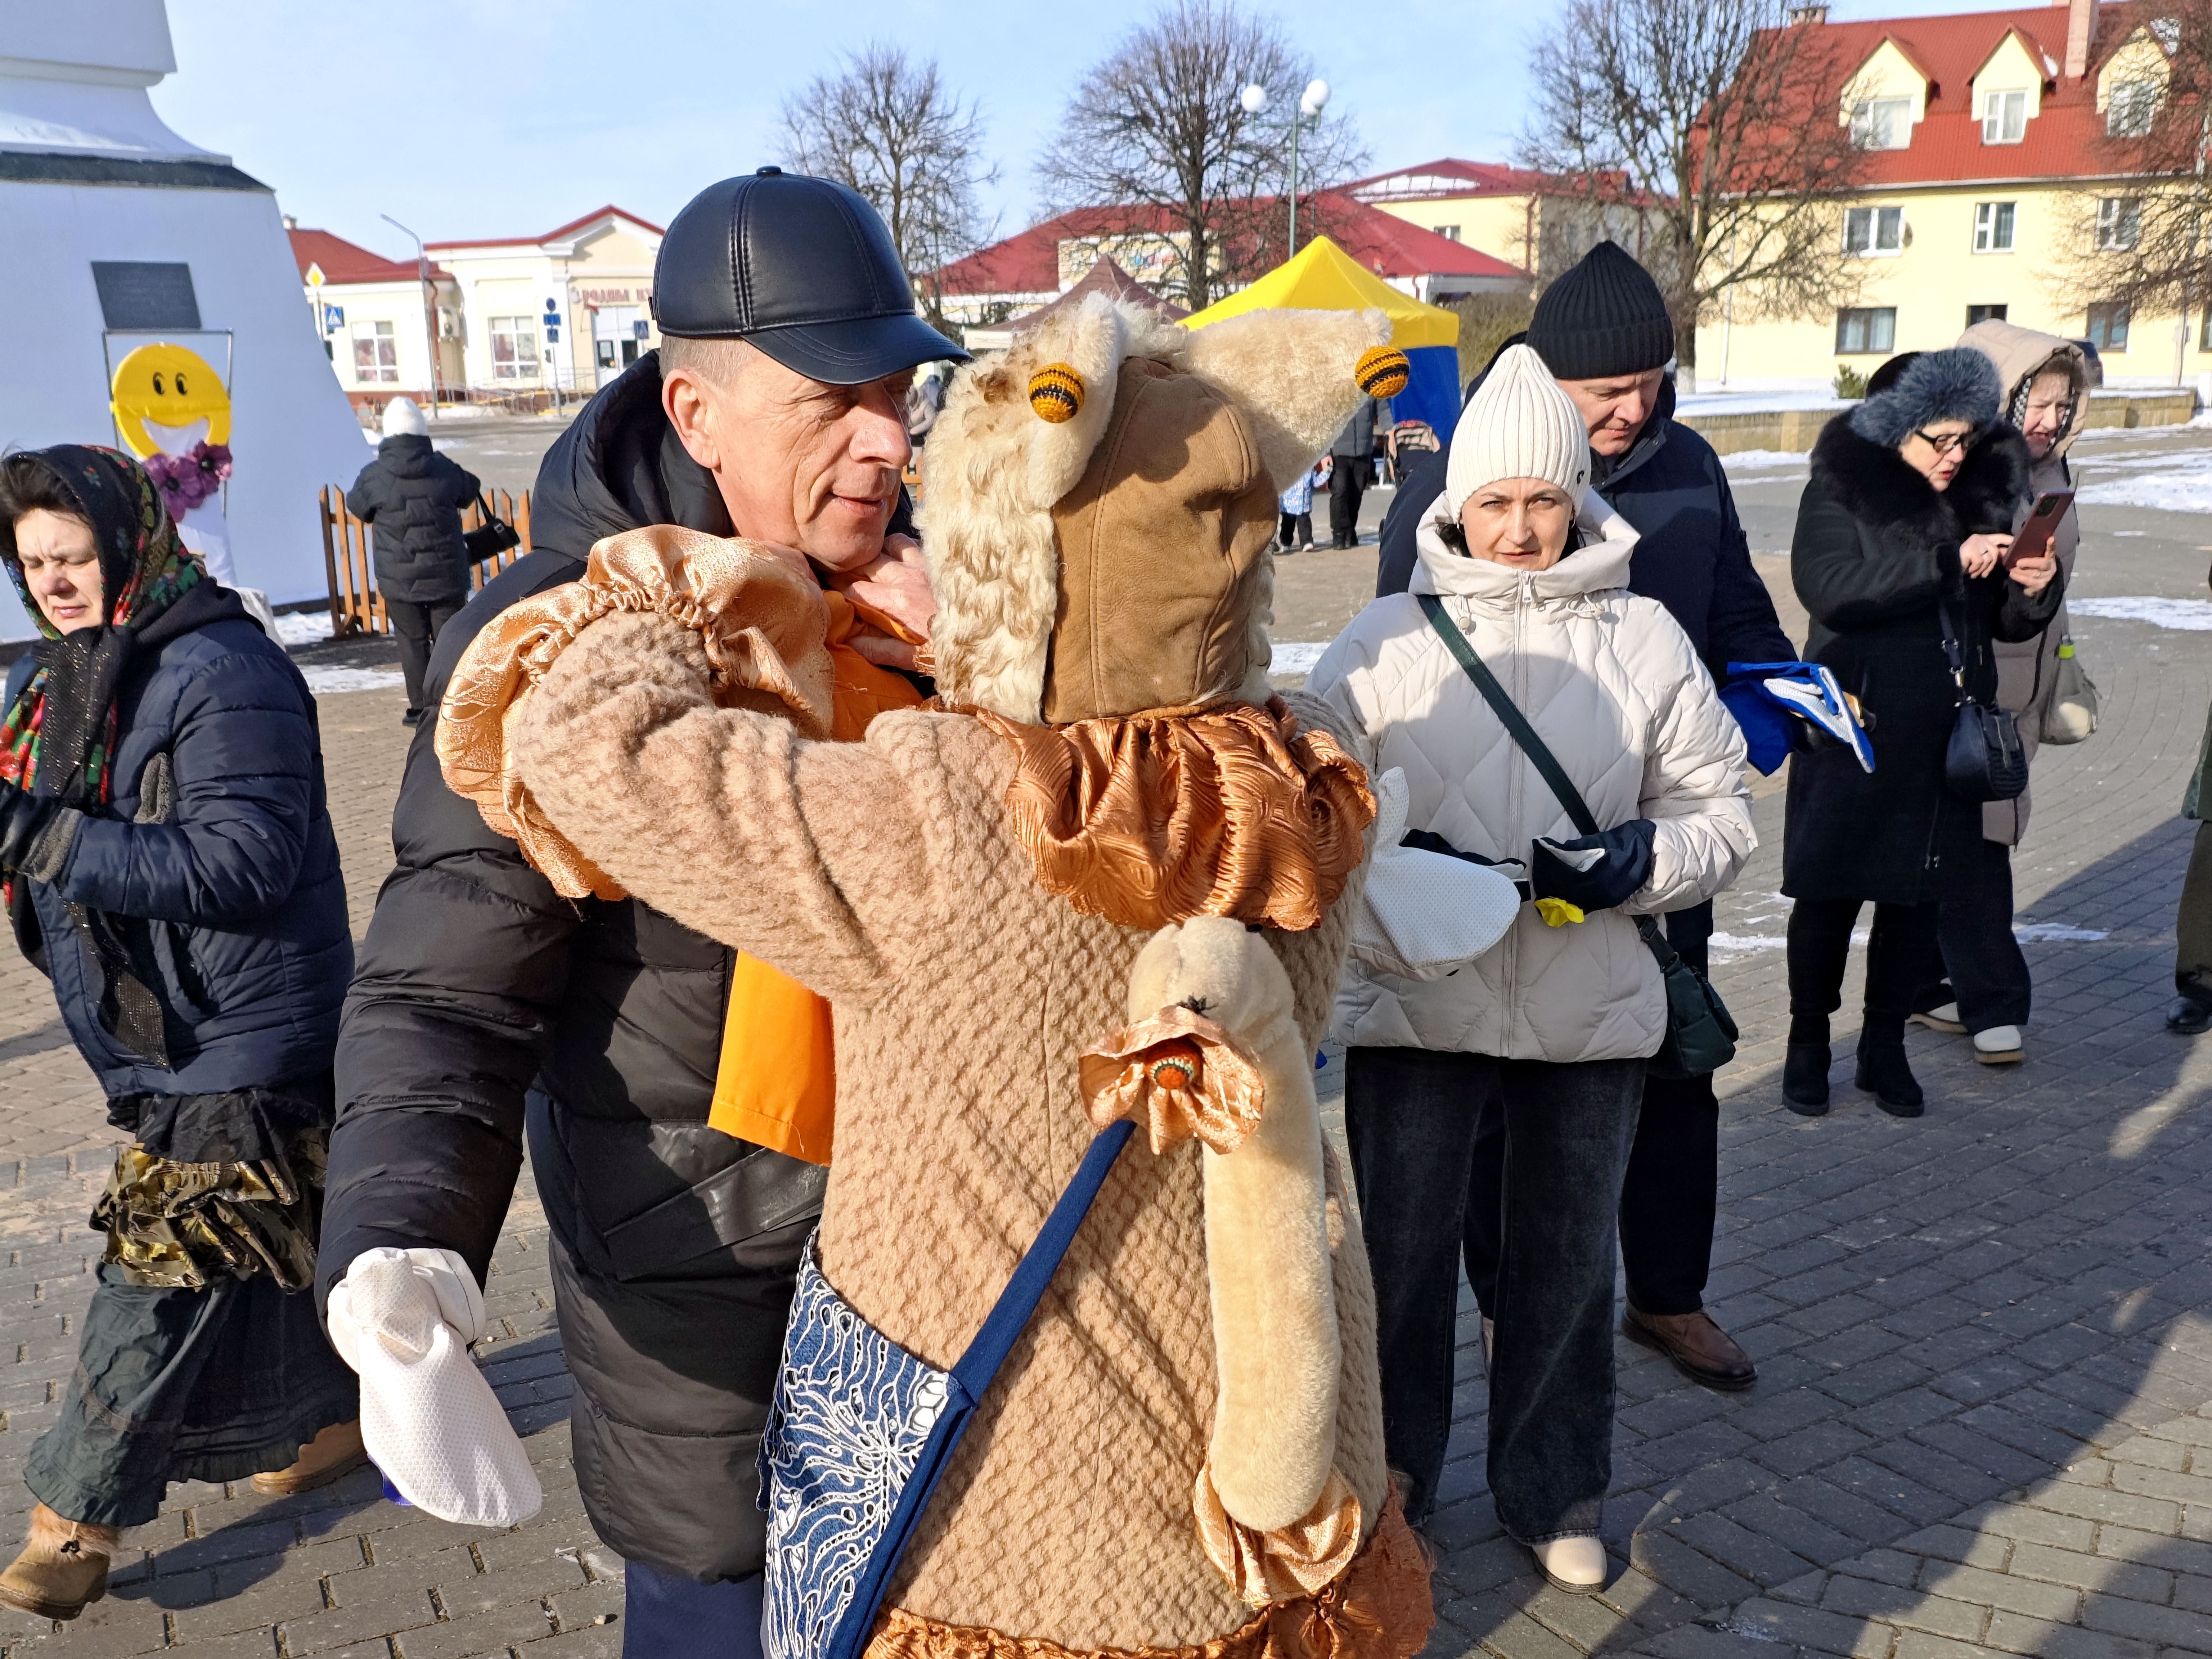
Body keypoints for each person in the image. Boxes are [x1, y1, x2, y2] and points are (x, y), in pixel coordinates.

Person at [495, 299, 1430, 1654]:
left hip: (1014, 1510)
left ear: (1005, 559)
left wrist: (685, 591)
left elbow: (596, 745)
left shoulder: (936, 814)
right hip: (1270, 1467)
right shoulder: (1306, 779)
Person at [316, 170, 961, 1659]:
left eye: (898, 391)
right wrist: (403, 1250)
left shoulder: (936, 598)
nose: (887, 440)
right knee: (721, 1621)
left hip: (939, 1258)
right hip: (708, 1284)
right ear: (697, 416)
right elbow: (444, 983)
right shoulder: (561, 644)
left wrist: (988, 674)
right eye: (833, 401)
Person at [1311, 345, 1754, 1591]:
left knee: (1563, 1267)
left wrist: (1635, 861)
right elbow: (1312, 795)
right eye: (1493, 501)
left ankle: (1554, 1485)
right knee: (1396, 1266)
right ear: (1454, 505)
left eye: (1541, 500)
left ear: (1577, 501)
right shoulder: (1382, 638)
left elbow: (1720, 816)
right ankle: (1389, 1469)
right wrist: (1388, 836)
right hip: (1416, 998)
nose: (1516, 528)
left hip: (1585, 1002)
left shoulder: (1644, 636)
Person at [1378, 240, 1791, 1393]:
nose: (1634, 409)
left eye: (1651, 384)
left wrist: (1760, 719)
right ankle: (1517, 1316)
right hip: (1496, 871)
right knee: (1502, 1116)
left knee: (1672, 1075)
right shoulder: (1456, 475)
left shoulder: (1687, 463)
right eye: (1608, 391)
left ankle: (1668, 1295)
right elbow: (1398, 670)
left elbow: (1742, 620)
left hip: (1651, 848)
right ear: (1550, 382)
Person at [0, 447, 360, 1622]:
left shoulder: (222, 666)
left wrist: (43, 840)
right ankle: (321, 1422)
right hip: (162, 1025)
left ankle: (72, 1520)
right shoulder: (68, 676)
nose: (55, 580)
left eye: (75, 555)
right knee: (269, 1241)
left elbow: (242, 858)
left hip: (239, 1022)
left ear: (131, 542)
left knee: (159, 1264)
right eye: (33, 560)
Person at [1782, 348, 2061, 1118]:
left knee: (1916, 901)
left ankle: (1883, 1050)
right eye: (1935, 440)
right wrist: (1946, 562)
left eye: (1964, 440)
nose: (1953, 456)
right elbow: (1830, 588)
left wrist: (2032, 590)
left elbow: (1999, 619)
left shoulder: (1978, 496)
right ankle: (1808, 1047)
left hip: (1945, 735)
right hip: (1856, 726)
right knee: (1829, 898)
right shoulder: (1841, 489)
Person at [1907, 323, 2092, 1062]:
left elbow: (2041, 591)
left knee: (1968, 840)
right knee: (1973, 843)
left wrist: (2037, 597)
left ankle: (1943, 990)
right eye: (2033, 402)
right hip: (1962, 688)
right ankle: (1989, 1002)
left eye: (2061, 403)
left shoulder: (2053, 472)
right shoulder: (1960, 473)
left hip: (2020, 677)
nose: (2048, 419)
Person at [346, 396, 481, 728]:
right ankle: (455, 701)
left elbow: (357, 506)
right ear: (421, 433)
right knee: (451, 637)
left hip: (399, 578)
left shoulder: (374, 476)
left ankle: (422, 709)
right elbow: (471, 489)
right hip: (446, 575)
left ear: (389, 435)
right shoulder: (443, 468)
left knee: (411, 640)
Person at [1328, 392, 1381, 546]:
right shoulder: (1338, 388)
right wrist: (1325, 454)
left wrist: (1390, 431)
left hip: (1363, 451)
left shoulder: (1371, 388)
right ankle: (1339, 534)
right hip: (1338, 451)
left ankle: (1350, 530)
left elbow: (1383, 409)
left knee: (1357, 493)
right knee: (1340, 492)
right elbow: (1324, 422)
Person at [1278, 457, 1320, 551]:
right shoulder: (1285, 469)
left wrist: (1327, 472)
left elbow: (1316, 482)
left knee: (1305, 524)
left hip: (1303, 504)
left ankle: (1307, 542)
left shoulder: (1309, 469)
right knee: (1287, 525)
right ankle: (1286, 543)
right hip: (1288, 505)